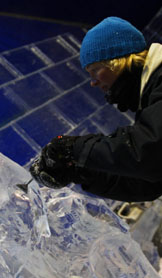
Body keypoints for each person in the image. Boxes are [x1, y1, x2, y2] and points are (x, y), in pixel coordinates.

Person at [30, 16, 162, 202]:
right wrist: (79, 171)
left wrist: (73, 148)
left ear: (117, 61)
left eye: (95, 70)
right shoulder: (150, 98)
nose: (92, 82)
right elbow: (147, 185)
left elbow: (149, 151)